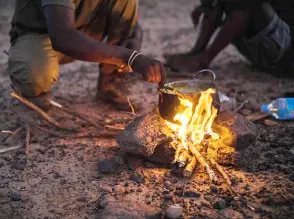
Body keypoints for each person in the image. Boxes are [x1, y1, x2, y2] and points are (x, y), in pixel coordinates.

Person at [8, 0, 166, 111]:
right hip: (42, 34)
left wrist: (132, 38)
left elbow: (131, 24)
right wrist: (130, 57)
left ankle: (110, 81)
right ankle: (35, 95)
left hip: (83, 33)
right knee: (35, 74)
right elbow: (62, 37)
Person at [165, 0, 294, 74]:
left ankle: (203, 60)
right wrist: (206, 5)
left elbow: (241, 14)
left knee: (244, 5)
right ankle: (197, 53)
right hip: (271, 51)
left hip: (285, 59)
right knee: (222, 2)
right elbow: (213, 6)